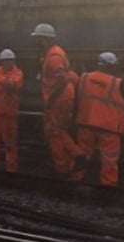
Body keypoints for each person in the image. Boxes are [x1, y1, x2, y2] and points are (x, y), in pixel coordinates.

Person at [31, 23, 87, 176]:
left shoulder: (54, 56)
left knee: (55, 132)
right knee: (58, 131)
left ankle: (73, 159)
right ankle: (70, 164)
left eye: (38, 39)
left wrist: (50, 99)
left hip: (59, 99)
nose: (36, 42)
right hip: (61, 98)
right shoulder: (53, 53)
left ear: (45, 39)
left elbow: (61, 80)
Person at [70, 52, 124, 186]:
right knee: (109, 159)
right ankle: (108, 185)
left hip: (85, 124)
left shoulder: (83, 78)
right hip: (109, 128)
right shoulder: (118, 83)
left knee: (82, 155)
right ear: (112, 66)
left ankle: (75, 180)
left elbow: (75, 101)